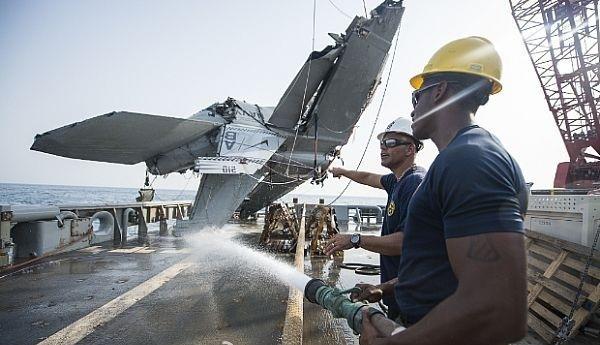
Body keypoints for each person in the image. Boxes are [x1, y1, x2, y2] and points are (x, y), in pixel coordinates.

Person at [358, 36, 529, 345]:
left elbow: (500, 310)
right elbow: (441, 266)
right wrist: (387, 289)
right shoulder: (460, 159)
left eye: (416, 97)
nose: (413, 109)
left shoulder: (470, 161)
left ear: (438, 92)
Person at [324, 117, 426, 320]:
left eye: (390, 143)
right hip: (398, 294)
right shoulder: (397, 180)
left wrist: (355, 239)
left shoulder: (414, 183)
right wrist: (343, 171)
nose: (383, 148)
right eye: (382, 143)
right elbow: (368, 177)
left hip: (414, 302)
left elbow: (404, 242)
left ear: (410, 149)